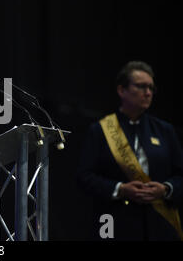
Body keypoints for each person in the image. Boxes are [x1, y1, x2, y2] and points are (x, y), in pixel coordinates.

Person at [77, 61, 183, 241]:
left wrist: (165, 189)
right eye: (141, 86)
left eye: (151, 88)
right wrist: (120, 189)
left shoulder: (165, 131)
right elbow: (84, 177)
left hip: (159, 225)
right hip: (113, 224)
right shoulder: (101, 130)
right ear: (122, 90)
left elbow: (180, 175)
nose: (148, 93)